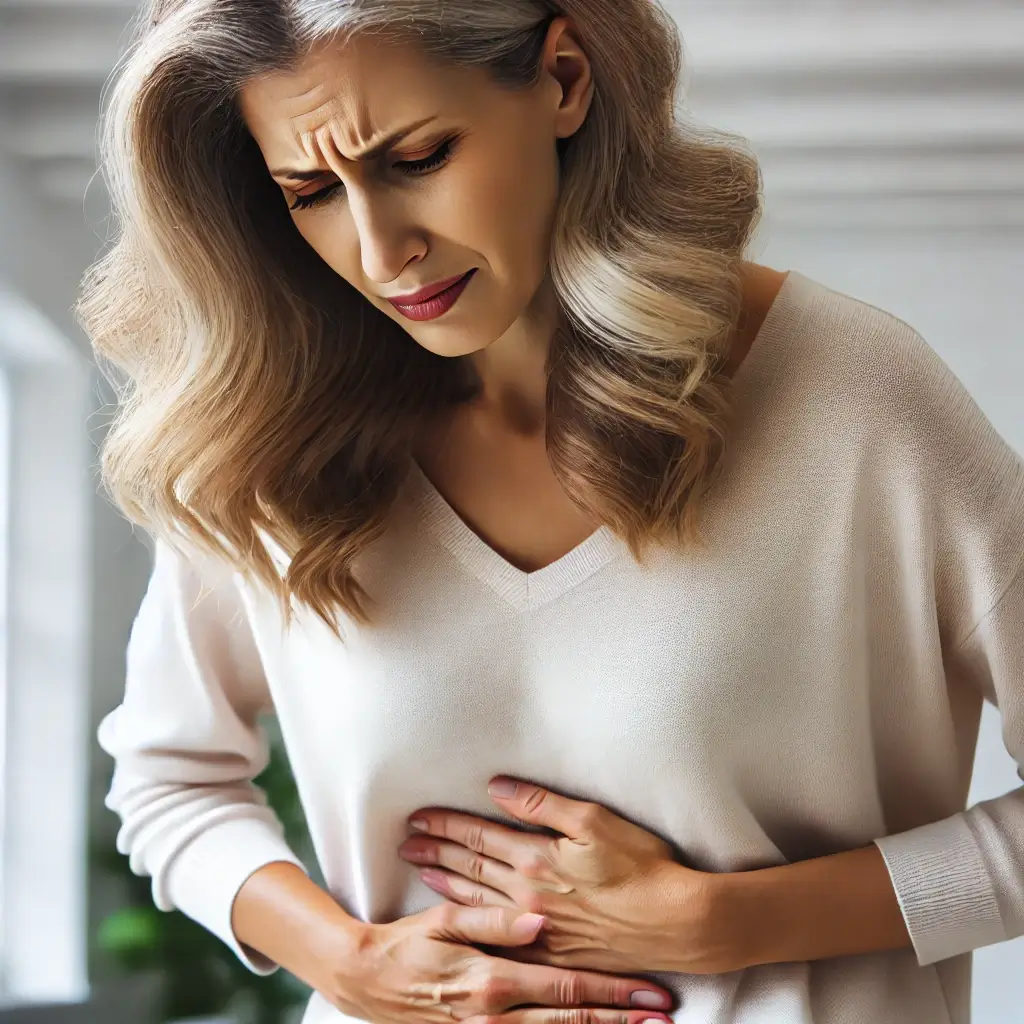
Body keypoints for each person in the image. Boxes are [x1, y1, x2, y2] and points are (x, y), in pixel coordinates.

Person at [79, 1, 1024, 1023]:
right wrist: (346, 961)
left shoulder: (852, 395)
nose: (381, 249)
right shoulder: (270, 435)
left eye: (419, 157)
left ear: (563, 80)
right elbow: (166, 779)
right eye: (310, 191)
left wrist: (734, 924)